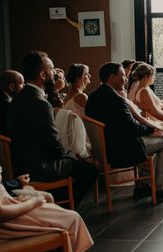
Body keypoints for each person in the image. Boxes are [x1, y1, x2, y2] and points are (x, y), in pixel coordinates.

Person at [0, 102, 95, 252]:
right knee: (70, 218)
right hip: (0, 226)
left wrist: (21, 194)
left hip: (0, 217)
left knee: (48, 201)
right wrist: (32, 204)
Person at [8, 51, 98, 207]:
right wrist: (69, 156)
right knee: (89, 170)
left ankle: (53, 202)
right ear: (43, 75)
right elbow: (51, 141)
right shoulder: (39, 102)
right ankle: (64, 208)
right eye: (51, 69)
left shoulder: (17, 98)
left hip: (19, 163)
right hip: (40, 167)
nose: (54, 72)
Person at [85, 62, 163, 202]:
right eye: (122, 76)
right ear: (112, 77)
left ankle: (142, 187)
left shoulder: (93, 97)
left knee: (153, 140)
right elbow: (131, 127)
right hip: (120, 149)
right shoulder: (116, 100)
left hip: (102, 149)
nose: (126, 79)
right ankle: (158, 189)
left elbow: (123, 126)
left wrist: (148, 130)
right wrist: (151, 129)